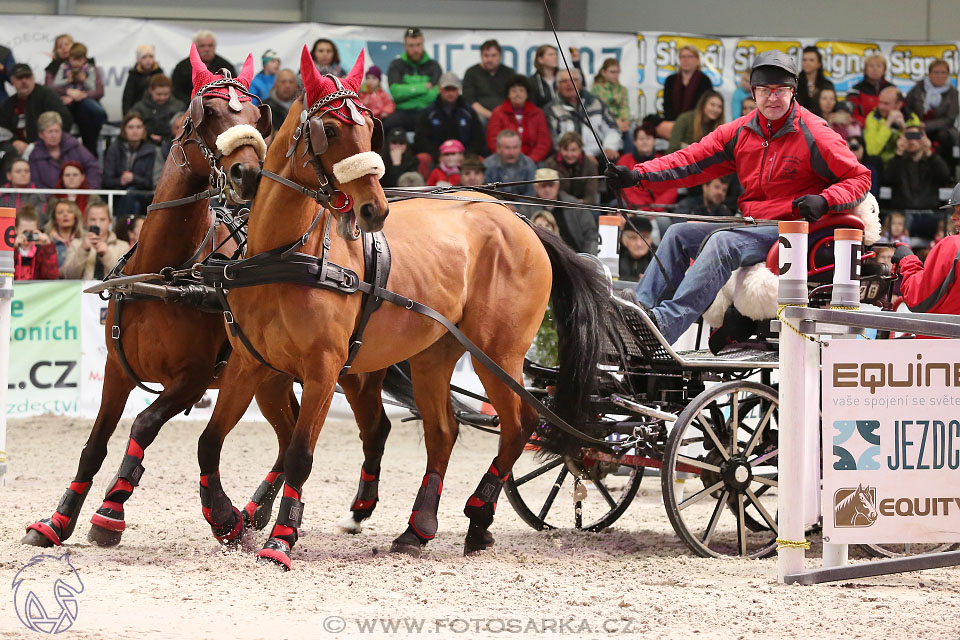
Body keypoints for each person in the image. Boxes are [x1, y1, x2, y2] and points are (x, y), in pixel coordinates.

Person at [605, 50, 871, 345]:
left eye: (780, 90)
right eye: (765, 90)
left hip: (795, 231)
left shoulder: (815, 133)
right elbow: (690, 159)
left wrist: (825, 199)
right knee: (678, 233)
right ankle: (640, 312)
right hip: (754, 224)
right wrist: (638, 175)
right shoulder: (741, 130)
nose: (773, 98)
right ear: (753, 92)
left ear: (793, 92)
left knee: (723, 242)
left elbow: (860, 178)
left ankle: (664, 325)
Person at [892, 185, 960, 319]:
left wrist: (907, 260)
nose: (953, 217)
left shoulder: (953, 246)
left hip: (943, 338)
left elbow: (916, 299)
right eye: (954, 211)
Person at [885, 123, 950, 240]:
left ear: (924, 139)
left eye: (916, 136)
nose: (912, 140)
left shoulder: (932, 161)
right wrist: (899, 152)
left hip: (930, 215)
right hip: (903, 214)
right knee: (896, 221)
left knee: (946, 224)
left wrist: (929, 152)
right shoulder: (897, 162)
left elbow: (945, 176)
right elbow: (888, 178)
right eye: (908, 136)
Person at [545, 69, 621, 161]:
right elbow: (555, 139)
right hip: (570, 156)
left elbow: (613, 128)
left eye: (574, 80)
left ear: (580, 83)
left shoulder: (596, 102)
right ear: (558, 86)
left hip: (601, 154)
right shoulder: (552, 109)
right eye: (564, 81)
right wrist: (583, 155)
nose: (569, 84)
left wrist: (610, 147)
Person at [0, 63, 73, 156]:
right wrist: (14, 142)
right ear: (12, 81)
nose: (24, 81)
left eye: (27, 77)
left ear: (33, 78)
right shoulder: (7, 105)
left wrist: (44, 141)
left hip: (46, 145)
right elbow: (3, 130)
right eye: (19, 78)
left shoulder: (47, 95)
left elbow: (65, 119)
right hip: (17, 150)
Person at [521, 167, 597, 254]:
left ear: (558, 185)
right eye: (543, 185)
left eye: (551, 185)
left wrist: (588, 258)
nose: (547, 189)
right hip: (541, 258)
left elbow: (591, 234)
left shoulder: (574, 205)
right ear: (535, 187)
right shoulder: (526, 208)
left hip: (576, 257)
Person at [102, 112, 162, 217]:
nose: (135, 131)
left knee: (132, 193)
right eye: (130, 127)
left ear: (144, 130)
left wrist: (133, 178)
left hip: (143, 195)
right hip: (118, 193)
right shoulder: (114, 149)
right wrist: (121, 180)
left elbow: (150, 182)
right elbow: (106, 180)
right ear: (124, 130)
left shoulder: (152, 151)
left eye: (139, 127)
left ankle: (124, 224)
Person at [904, 58, 959, 173]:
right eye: (936, 72)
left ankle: (945, 173)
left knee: (943, 136)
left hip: (941, 129)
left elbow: (950, 119)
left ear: (948, 75)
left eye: (943, 72)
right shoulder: (918, 88)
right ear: (929, 74)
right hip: (917, 126)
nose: (940, 75)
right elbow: (906, 107)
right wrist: (914, 124)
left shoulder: (953, 93)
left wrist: (926, 125)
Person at [414, 71, 484, 160]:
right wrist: (438, 155)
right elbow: (421, 140)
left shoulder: (468, 112)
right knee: (423, 159)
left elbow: (478, 138)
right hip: (437, 158)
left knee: (480, 160)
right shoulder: (429, 113)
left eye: (453, 89)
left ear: (459, 89)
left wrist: (465, 155)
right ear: (439, 89)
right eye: (447, 89)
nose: (450, 93)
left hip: (464, 158)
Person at [384, 27, 442, 133]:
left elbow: (434, 95)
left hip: (427, 112)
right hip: (403, 112)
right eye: (411, 45)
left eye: (418, 45)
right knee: (386, 125)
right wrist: (424, 87)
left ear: (423, 44)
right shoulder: (396, 65)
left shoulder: (434, 66)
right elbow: (396, 93)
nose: (415, 49)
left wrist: (407, 92)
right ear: (405, 46)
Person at [51, 42, 106, 153]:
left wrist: (83, 81)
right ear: (69, 58)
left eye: (79, 60)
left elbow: (96, 90)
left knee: (92, 111)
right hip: (68, 103)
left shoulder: (90, 68)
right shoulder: (63, 67)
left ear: (85, 58)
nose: (76, 63)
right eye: (73, 59)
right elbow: (54, 85)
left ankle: (89, 153)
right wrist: (68, 82)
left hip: (84, 101)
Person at [485, 75, 551, 163]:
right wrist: (509, 159)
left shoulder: (538, 113)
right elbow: (493, 141)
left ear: (527, 94)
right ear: (508, 94)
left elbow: (543, 143)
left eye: (521, 90)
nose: (518, 94)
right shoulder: (498, 113)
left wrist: (530, 161)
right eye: (514, 91)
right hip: (504, 161)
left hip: (533, 162)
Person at [28, 111, 100, 190]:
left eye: (57, 131)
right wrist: (55, 198)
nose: (54, 135)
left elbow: (93, 167)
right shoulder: (35, 156)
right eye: (50, 132)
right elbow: (36, 183)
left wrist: (88, 191)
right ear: (41, 134)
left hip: (81, 197)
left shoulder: (74, 146)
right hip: (51, 200)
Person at [616, 123, 679, 210]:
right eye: (641, 139)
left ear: (654, 141)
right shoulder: (624, 161)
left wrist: (656, 208)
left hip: (659, 211)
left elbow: (672, 190)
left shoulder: (664, 161)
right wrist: (643, 209)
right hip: (633, 208)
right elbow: (623, 189)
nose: (645, 142)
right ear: (635, 142)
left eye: (648, 138)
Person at [61, 201, 130, 280]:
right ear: (86, 221)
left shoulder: (122, 246)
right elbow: (69, 276)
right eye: (93, 219)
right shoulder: (76, 244)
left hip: (112, 291)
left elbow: (124, 277)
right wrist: (83, 250)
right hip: (82, 291)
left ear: (110, 221)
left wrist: (106, 254)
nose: (97, 224)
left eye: (102, 219)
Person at [171, 31, 235, 104]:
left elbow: (233, 89)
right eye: (202, 46)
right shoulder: (182, 67)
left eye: (210, 45)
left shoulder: (226, 66)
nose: (207, 49)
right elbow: (177, 92)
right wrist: (194, 104)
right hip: (189, 107)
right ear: (195, 47)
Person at [864, 86, 919, 164]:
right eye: (880, 102)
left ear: (899, 104)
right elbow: (872, 151)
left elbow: (915, 147)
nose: (881, 107)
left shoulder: (911, 118)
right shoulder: (873, 117)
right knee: (874, 160)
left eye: (886, 103)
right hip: (882, 163)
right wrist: (888, 124)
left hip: (903, 161)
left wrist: (903, 128)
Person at [462, 39, 513, 122]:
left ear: (500, 56)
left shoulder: (509, 73)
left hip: (505, 113)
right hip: (481, 114)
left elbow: (513, 97)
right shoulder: (471, 73)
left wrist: (502, 115)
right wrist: (491, 115)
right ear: (481, 56)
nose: (490, 59)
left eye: (493, 55)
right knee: (479, 120)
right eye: (486, 55)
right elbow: (470, 101)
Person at [662, 46, 713, 125]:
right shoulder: (670, 80)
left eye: (689, 56)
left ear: (697, 61)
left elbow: (704, 107)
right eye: (682, 57)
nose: (685, 60)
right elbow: (667, 105)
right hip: (673, 122)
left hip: (695, 123)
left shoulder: (704, 81)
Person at [544, 131, 599, 205]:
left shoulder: (590, 165)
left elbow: (591, 196)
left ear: (580, 149)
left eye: (573, 150)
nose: (569, 154)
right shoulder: (550, 164)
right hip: (559, 204)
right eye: (566, 150)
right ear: (560, 149)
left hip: (582, 205)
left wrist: (580, 204)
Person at [131, 74, 185, 147]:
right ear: (150, 91)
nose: (162, 98)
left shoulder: (179, 107)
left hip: (172, 145)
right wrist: (147, 135)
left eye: (166, 94)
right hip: (144, 145)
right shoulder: (140, 108)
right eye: (159, 94)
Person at [483, 129, 536, 196]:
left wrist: (515, 206)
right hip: (496, 204)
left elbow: (531, 194)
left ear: (520, 148)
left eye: (515, 147)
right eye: (507, 148)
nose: (512, 153)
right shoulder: (487, 165)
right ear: (498, 148)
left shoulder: (528, 164)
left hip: (522, 205)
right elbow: (486, 194)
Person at [846, 53, 894, 128]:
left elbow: (898, 110)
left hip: (890, 128)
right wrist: (872, 125)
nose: (875, 69)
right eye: (871, 66)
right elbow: (853, 115)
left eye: (879, 66)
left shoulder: (892, 89)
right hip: (864, 129)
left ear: (884, 70)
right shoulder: (855, 90)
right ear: (865, 70)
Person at [13, 205, 58, 280]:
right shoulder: (11, 249)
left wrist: (47, 247)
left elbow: (51, 276)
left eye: (32, 232)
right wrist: (13, 248)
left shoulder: (41, 251)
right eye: (25, 232)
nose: (28, 236)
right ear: (16, 230)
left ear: (37, 230)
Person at [591, 58, 631, 138]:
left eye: (618, 72)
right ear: (603, 72)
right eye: (612, 72)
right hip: (604, 122)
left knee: (629, 133)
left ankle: (629, 151)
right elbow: (597, 110)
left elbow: (624, 107)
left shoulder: (622, 89)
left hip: (620, 122)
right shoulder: (596, 88)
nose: (616, 75)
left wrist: (625, 121)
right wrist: (615, 122)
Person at [122, 44, 164, 115]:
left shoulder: (159, 73)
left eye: (151, 56)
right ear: (138, 60)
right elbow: (127, 98)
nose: (148, 60)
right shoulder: (133, 75)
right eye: (144, 57)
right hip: (138, 111)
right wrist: (127, 116)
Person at [44, 198, 83, 268]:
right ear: (55, 219)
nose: (65, 215)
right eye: (60, 212)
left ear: (76, 217)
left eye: (69, 212)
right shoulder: (47, 241)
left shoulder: (83, 239)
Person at [796, 46, 834, 116]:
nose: (807, 63)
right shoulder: (796, 83)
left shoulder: (827, 85)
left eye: (811, 60)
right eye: (804, 60)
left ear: (819, 64)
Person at [619, 216, 657, 282]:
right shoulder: (614, 255)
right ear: (623, 239)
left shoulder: (659, 258)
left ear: (651, 240)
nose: (639, 243)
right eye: (633, 237)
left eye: (644, 237)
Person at [265, 69, 298, 133]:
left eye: (291, 82)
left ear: (296, 86)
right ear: (275, 85)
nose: (287, 86)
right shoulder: (266, 108)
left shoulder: (303, 106)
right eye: (283, 82)